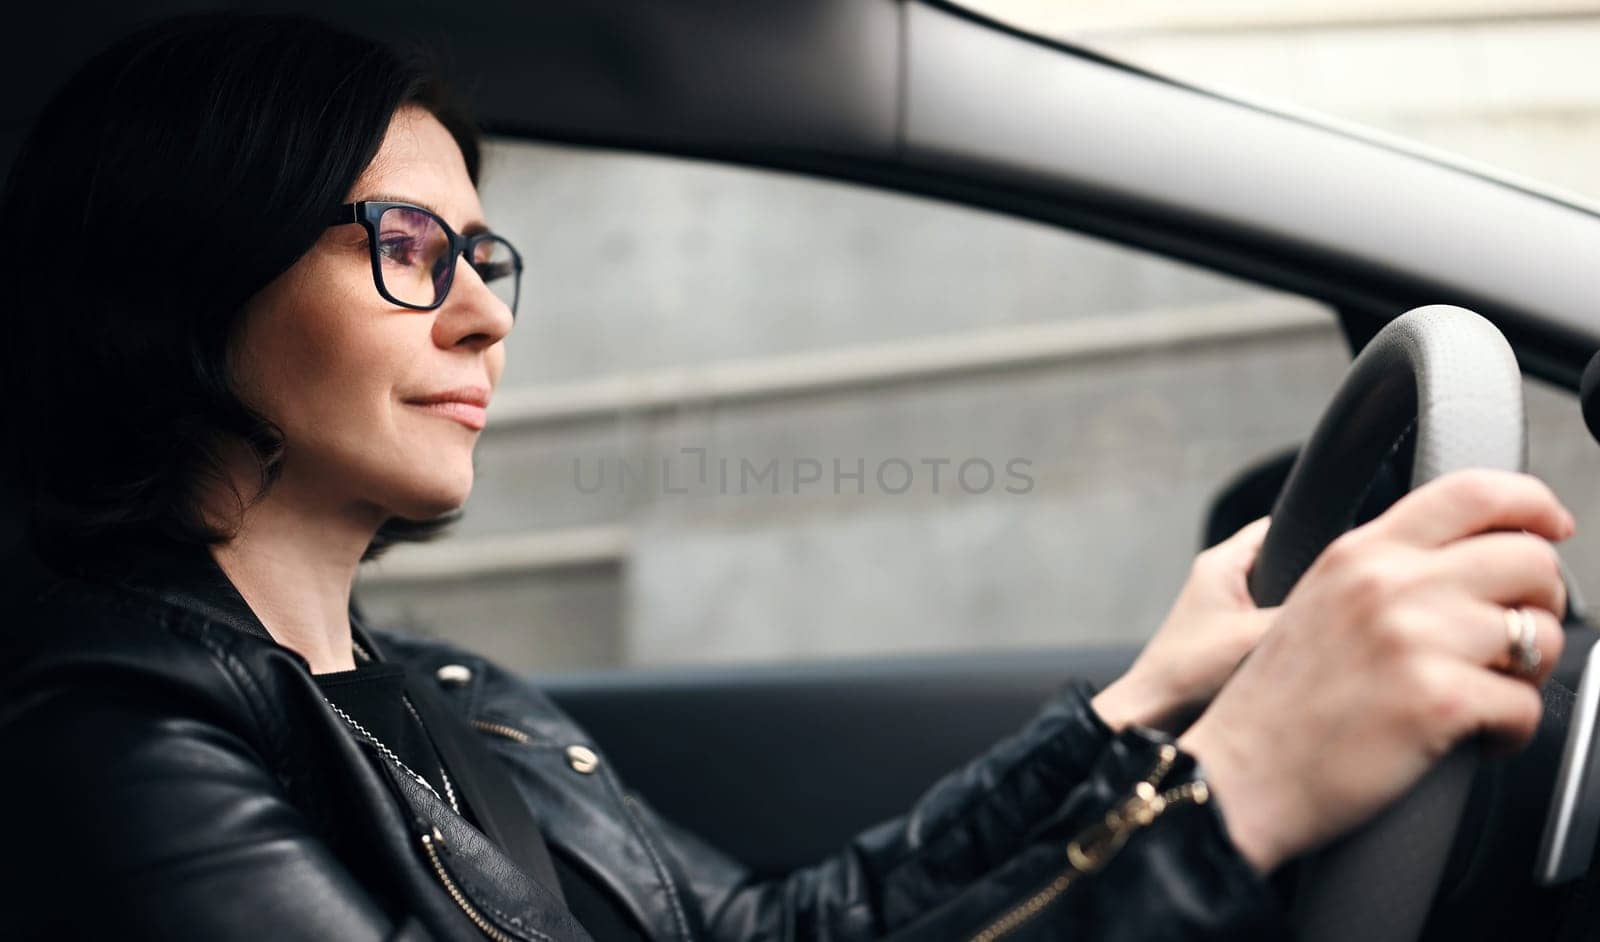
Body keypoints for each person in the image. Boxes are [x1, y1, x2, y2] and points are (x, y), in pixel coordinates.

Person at [0, 12, 1572, 941]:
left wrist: (1150, 702)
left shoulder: (436, 684)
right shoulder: (106, 745)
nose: (482, 308)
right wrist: (1236, 800)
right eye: (409, 248)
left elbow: (779, 931)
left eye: (486, 254)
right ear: (190, 277)